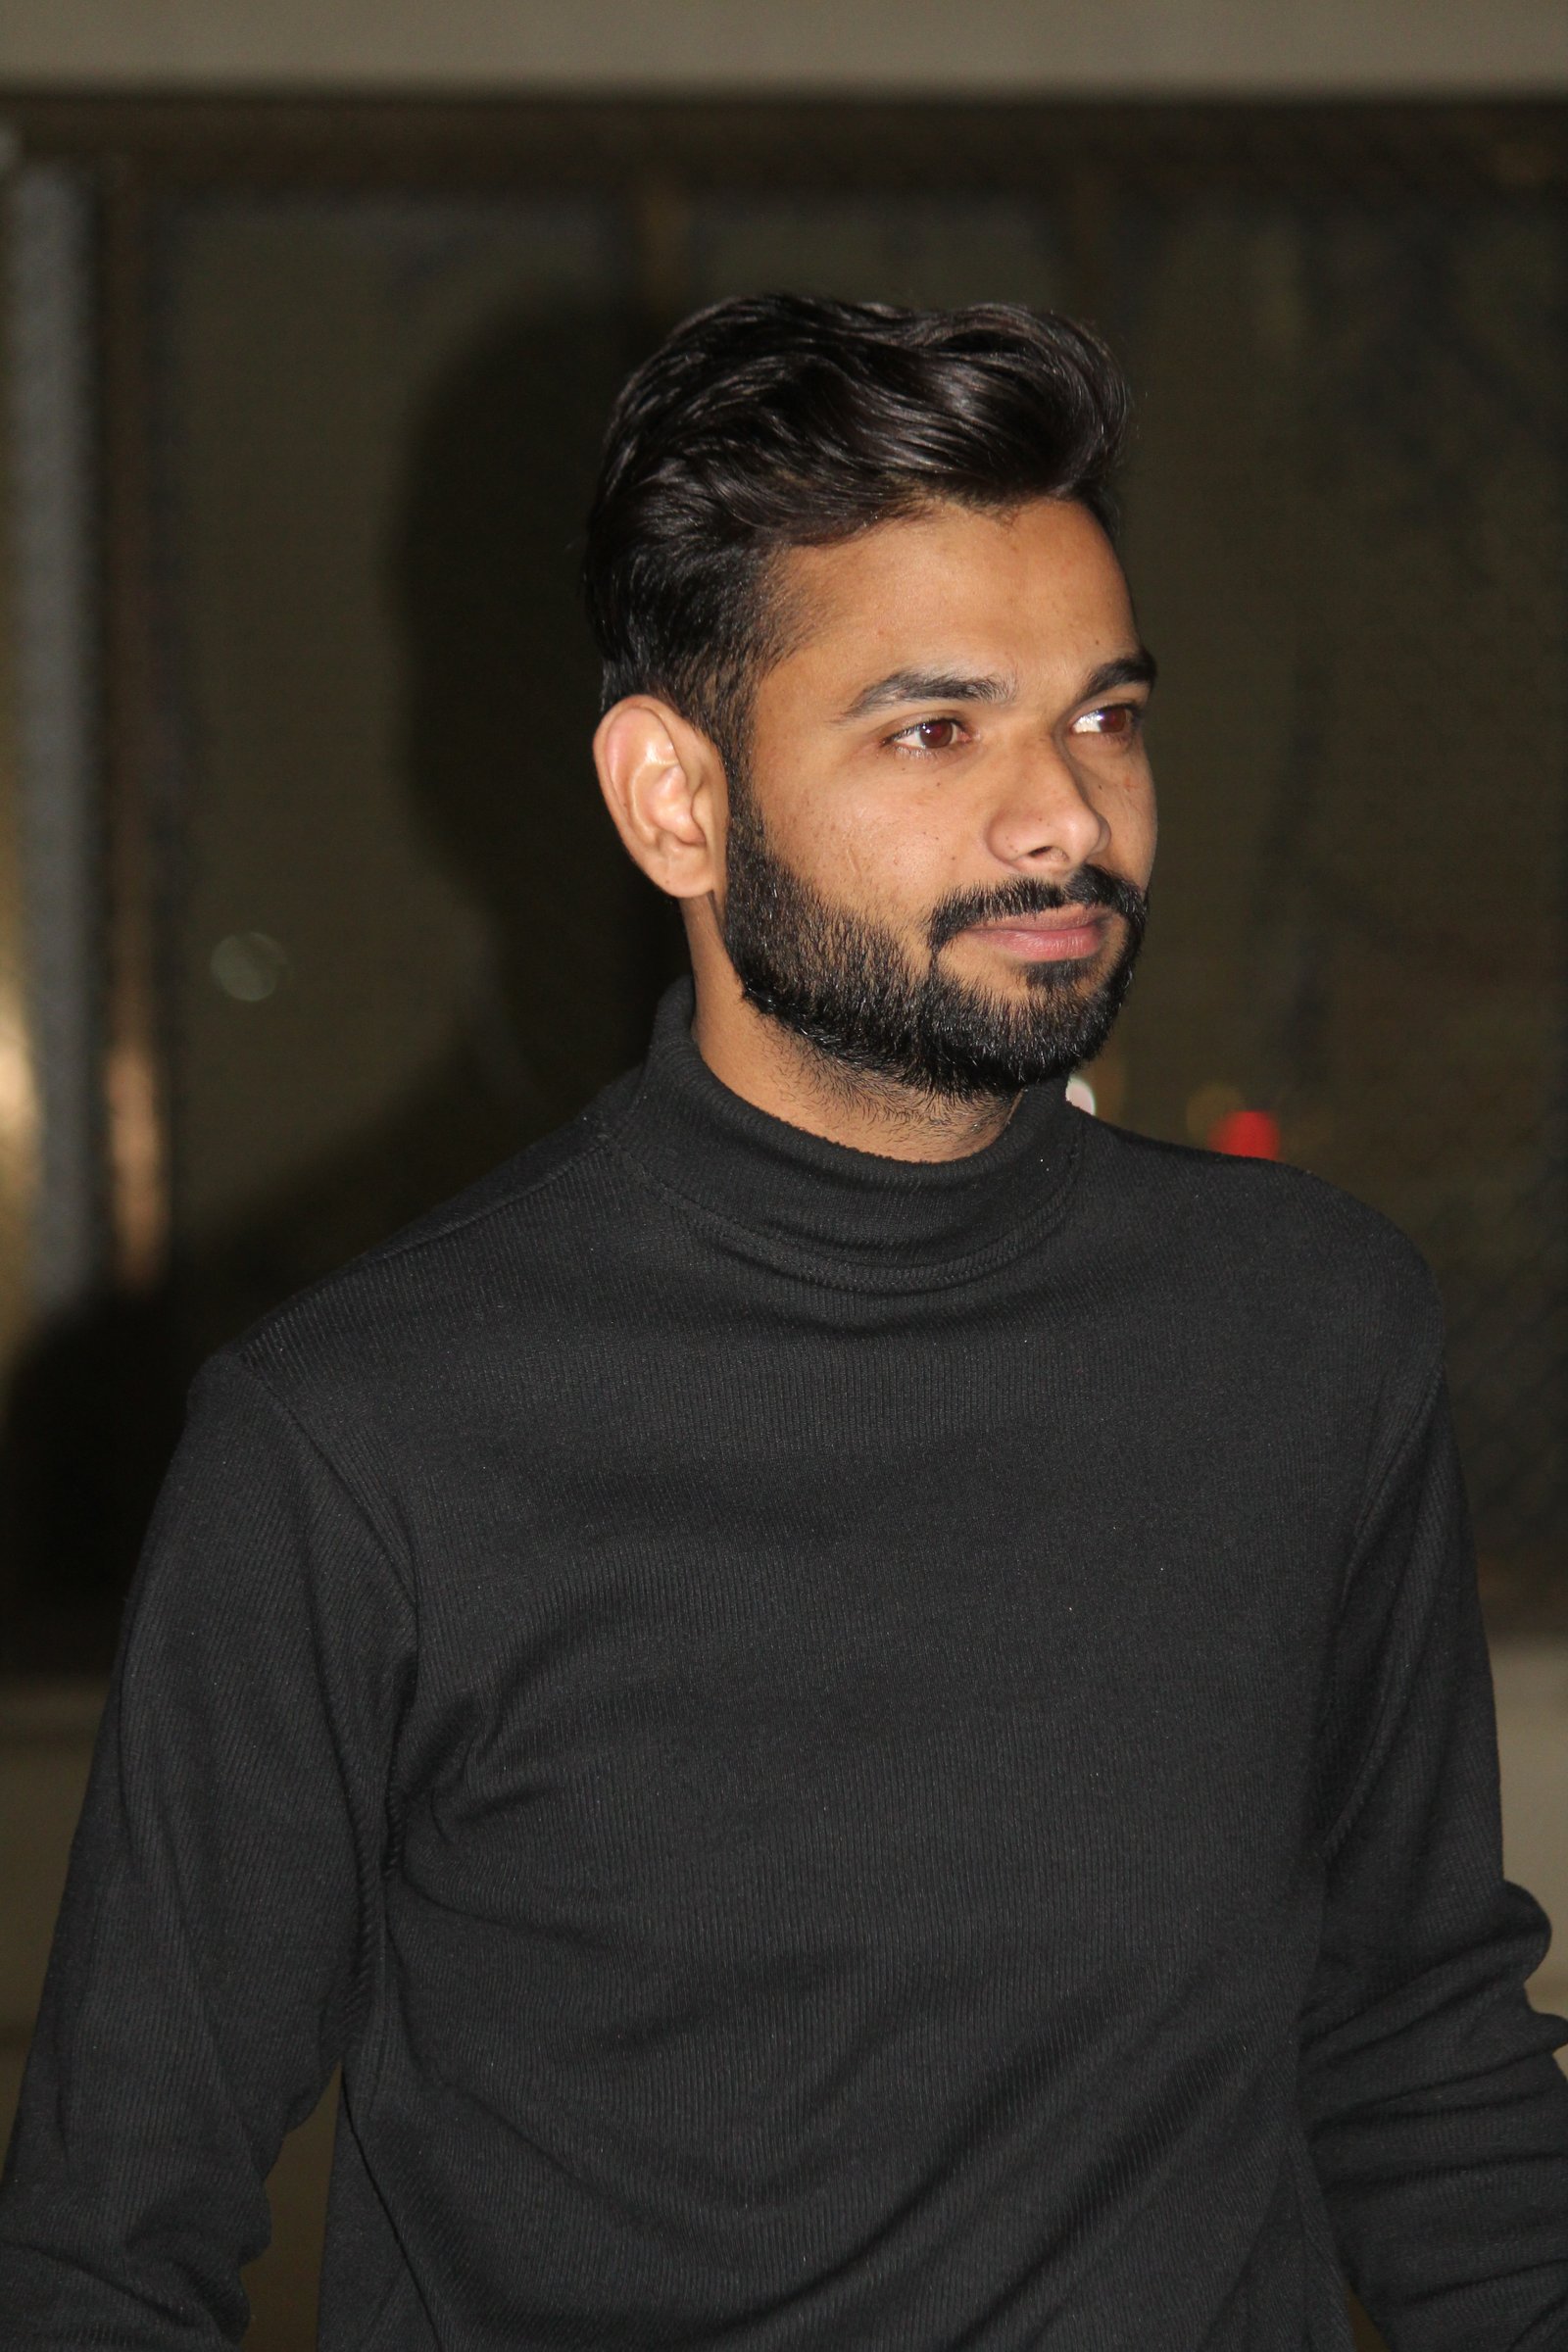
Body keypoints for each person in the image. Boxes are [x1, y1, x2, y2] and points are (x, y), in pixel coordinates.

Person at [2, 295, 1565, 2351]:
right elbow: (105, 2244)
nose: (1064, 818)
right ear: (674, 799)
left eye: (1103, 717)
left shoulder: (1307, 1333)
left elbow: (1422, 2056)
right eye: (934, 731)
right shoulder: (364, 1436)